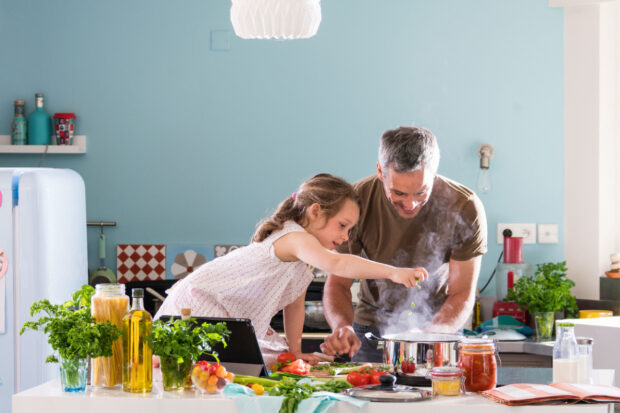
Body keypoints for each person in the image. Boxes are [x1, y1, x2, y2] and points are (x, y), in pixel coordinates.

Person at [155, 173, 428, 367]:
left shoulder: (302, 258)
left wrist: (295, 351)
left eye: (350, 229)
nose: (346, 237)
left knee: (275, 359)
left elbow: (294, 306)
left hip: (225, 316)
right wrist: (394, 272)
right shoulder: (295, 237)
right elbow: (338, 263)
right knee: (206, 366)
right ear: (316, 212)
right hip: (200, 303)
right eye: (342, 225)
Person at [321, 126, 488, 362]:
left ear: (434, 172)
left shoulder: (464, 205)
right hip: (371, 330)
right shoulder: (356, 201)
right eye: (398, 193)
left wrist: (430, 336)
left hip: (438, 328)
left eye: (421, 193)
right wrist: (342, 327)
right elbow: (338, 283)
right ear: (380, 171)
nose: (410, 204)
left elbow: (462, 293)